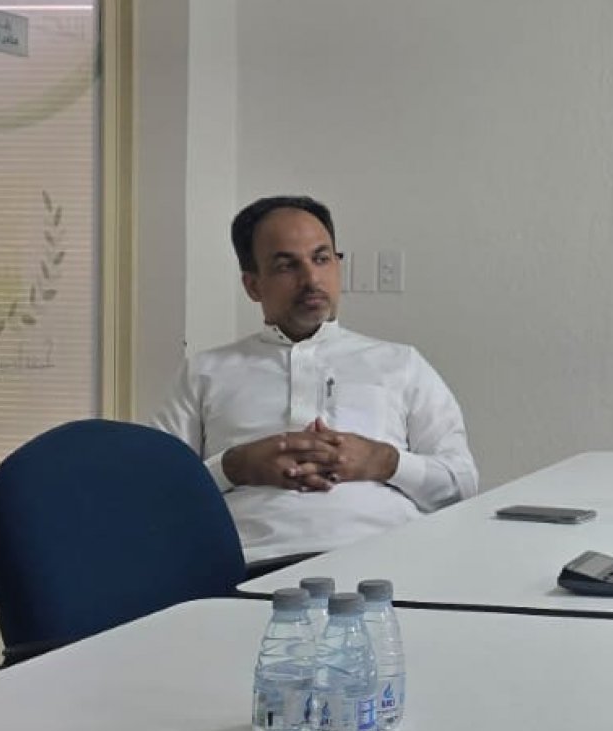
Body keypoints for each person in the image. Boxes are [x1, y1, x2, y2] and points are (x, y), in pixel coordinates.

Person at [153, 196, 477, 564]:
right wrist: (233, 468)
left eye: (321, 259)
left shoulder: (401, 363)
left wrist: (384, 461)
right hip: (247, 568)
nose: (311, 279)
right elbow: (154, 492)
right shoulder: (204, 372)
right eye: (286, 266)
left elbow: (462, 486)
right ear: (253, 285)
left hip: (387, 564)